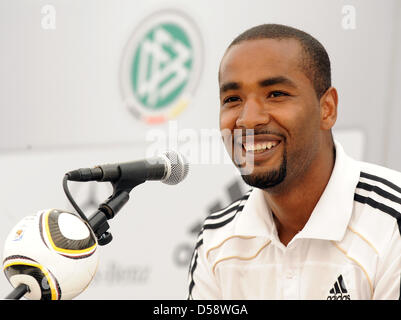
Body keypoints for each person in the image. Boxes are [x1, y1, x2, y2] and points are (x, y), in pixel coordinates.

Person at [187, 23, 401, 300]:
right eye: (233, 99)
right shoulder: (216, 239)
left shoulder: (391, 222)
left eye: (276, 94)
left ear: (328, 109)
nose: (248, 119)